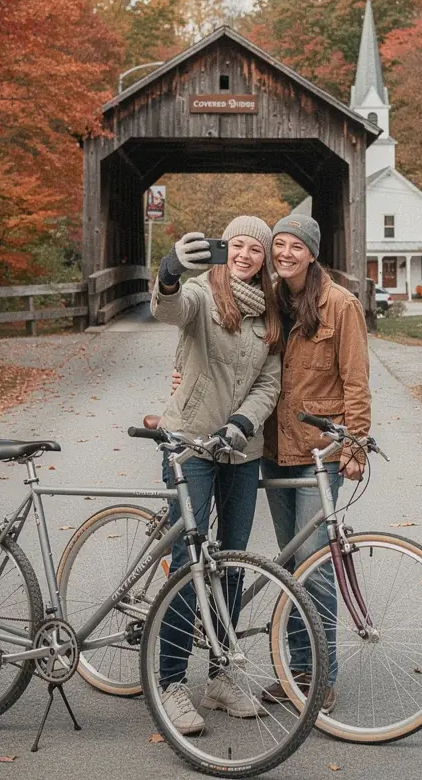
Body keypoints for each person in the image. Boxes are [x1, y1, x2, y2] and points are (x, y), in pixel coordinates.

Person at [150, 216, 282, 735]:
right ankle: (171, 683)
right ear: (228, 249)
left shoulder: (268, 313)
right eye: (241, 245)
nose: (248, 255)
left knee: (231, 561)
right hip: (190, 443)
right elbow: (169, 309)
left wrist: (243, 422)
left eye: (258, 249)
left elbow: (270, 381)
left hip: (240, 448)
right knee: (190, 562)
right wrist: (168, 273)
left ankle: (222, 674)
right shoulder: (204, 294)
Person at [258, 213, 371, 713]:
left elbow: (357, 382)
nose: (285, 253)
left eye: (294, 246)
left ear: (312, 253)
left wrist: (356, 446)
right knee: (291, 565)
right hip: (272, 449)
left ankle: (320, 676)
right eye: (277, 244)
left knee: (316, 567)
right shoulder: (265, 301)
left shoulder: (341, 305)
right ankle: (297, 669)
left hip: (319, 451)